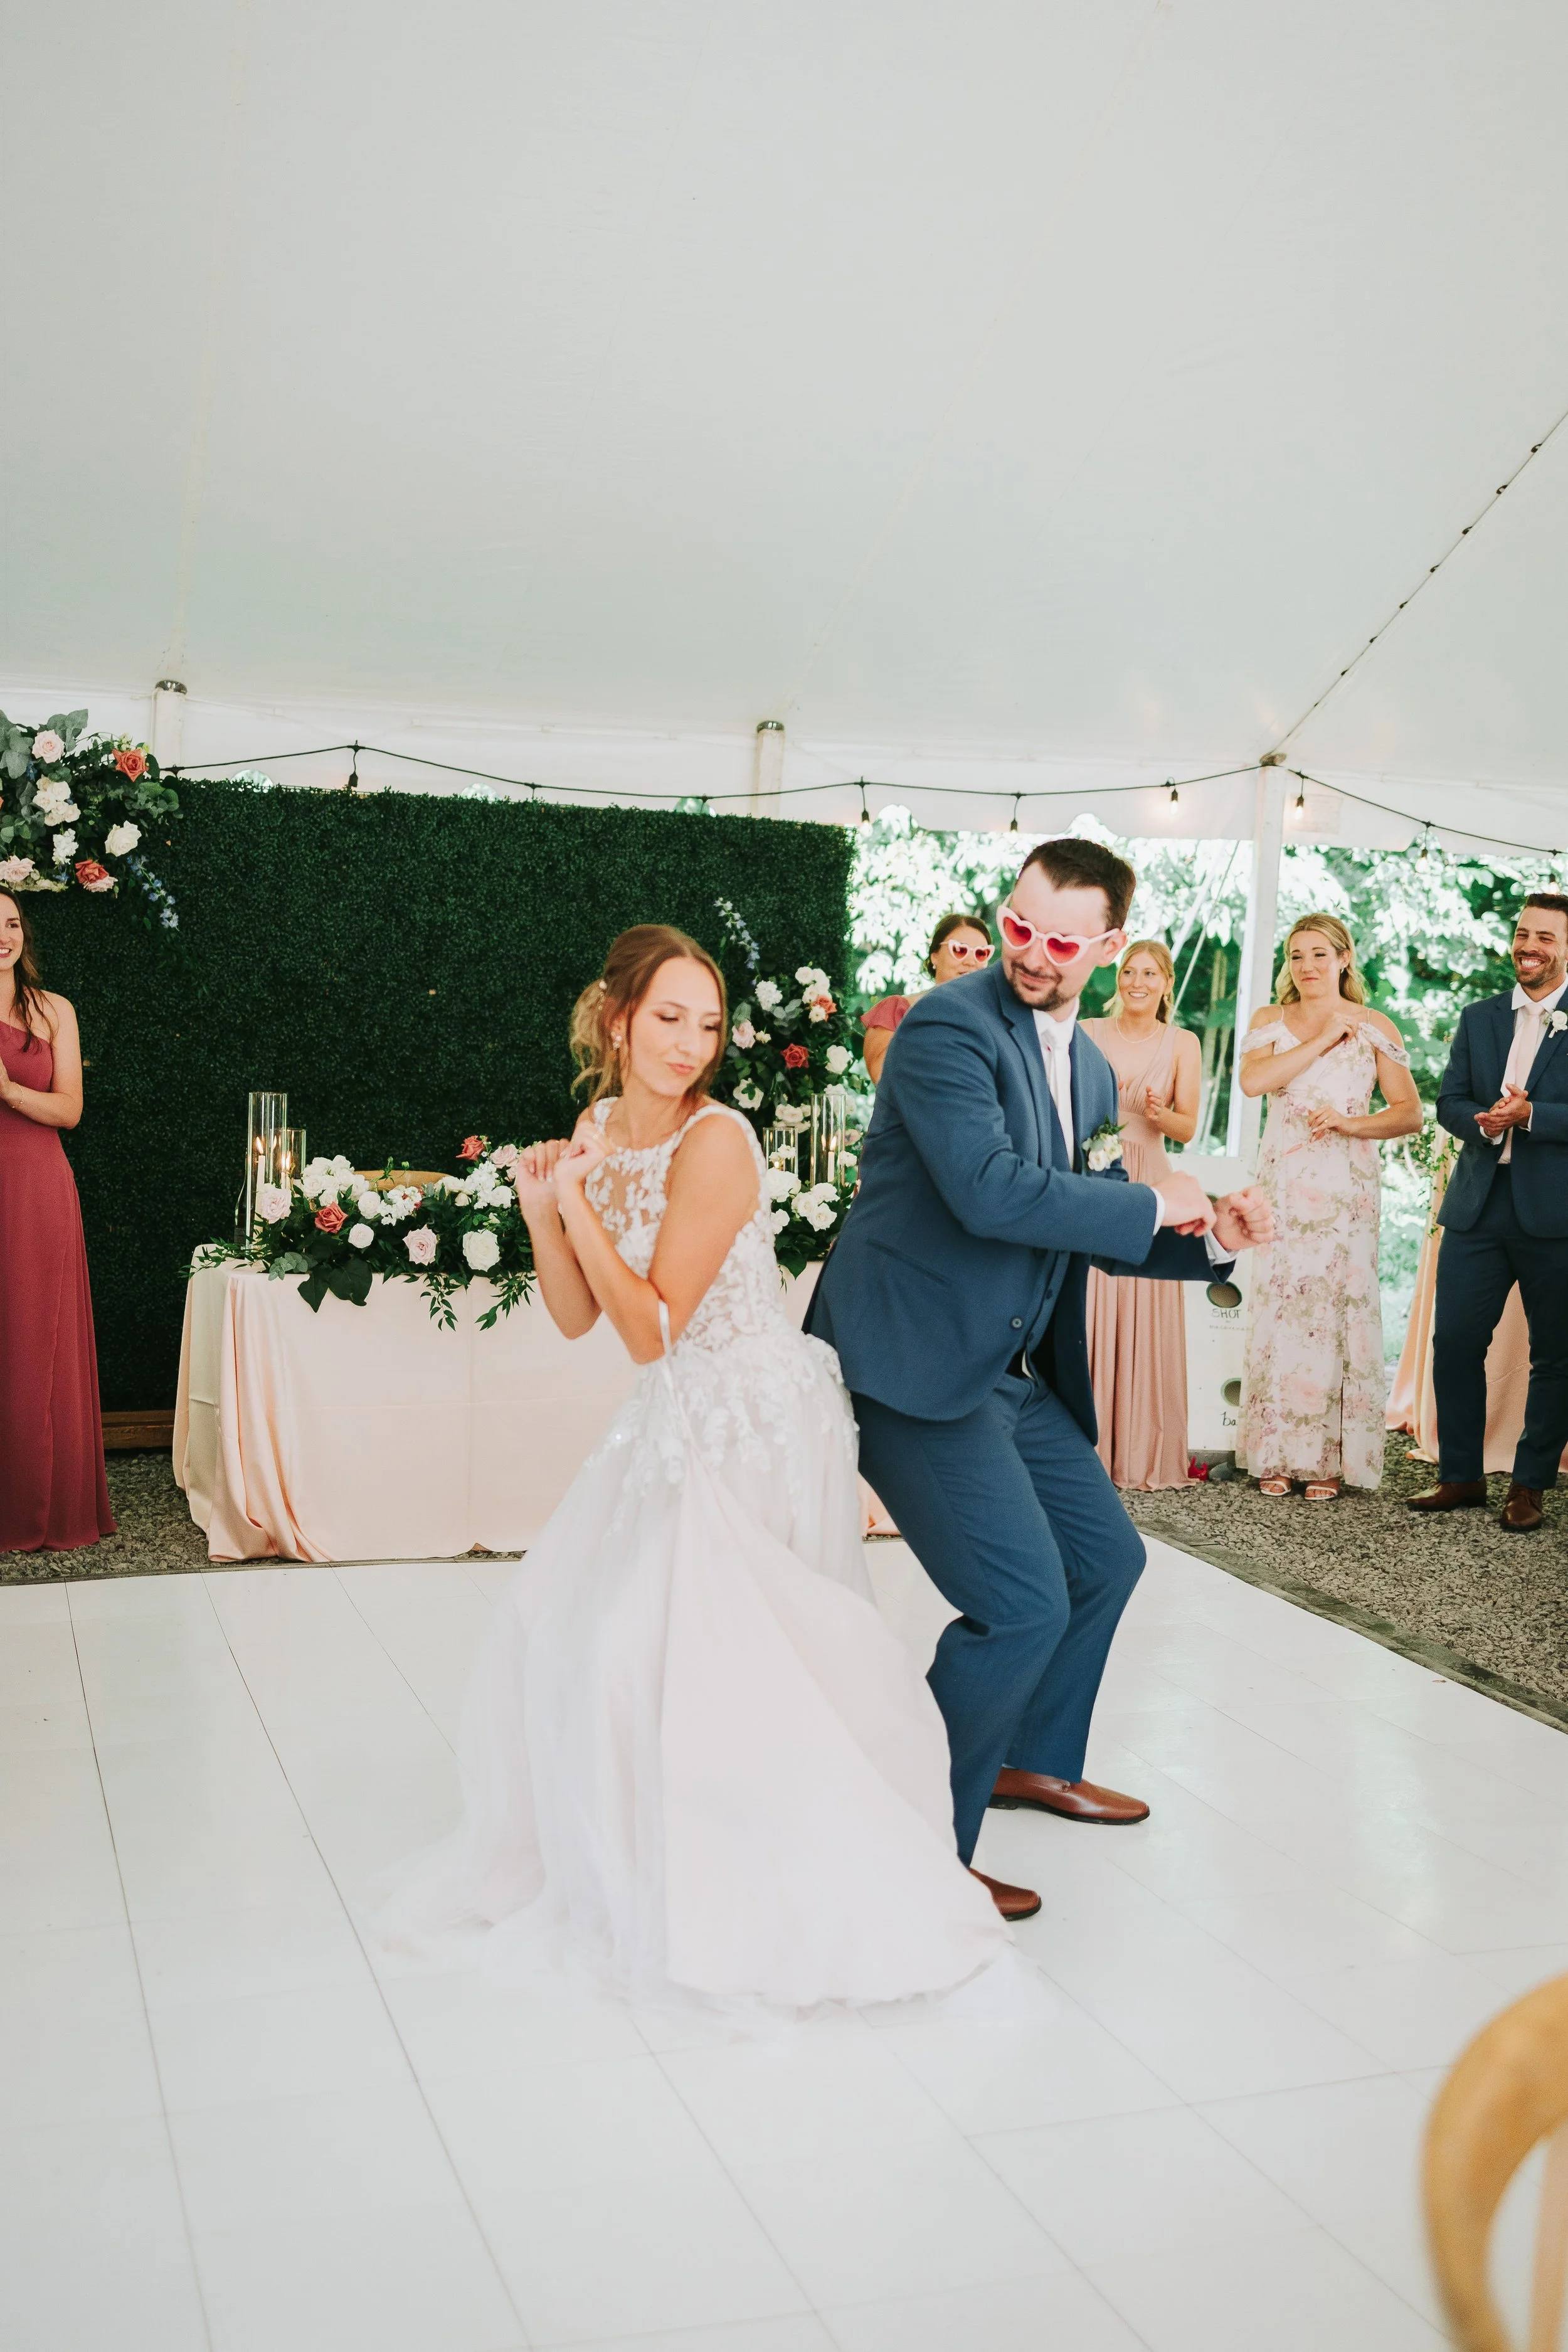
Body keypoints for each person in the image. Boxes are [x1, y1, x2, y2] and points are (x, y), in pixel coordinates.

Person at [381, 924, 1004, 2012]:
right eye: (668, 1018)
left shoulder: (718, 1141)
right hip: (672, 1414)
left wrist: (575, 1201)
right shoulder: (595, 1127)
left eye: (708, 1026)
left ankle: (757, 1876)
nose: (688, 1045)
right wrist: (542, 1210)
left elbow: (652, 1327)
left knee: (714, 1652)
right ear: (618, 1018)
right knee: (580, 1638)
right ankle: (636, 1870)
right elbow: (578, 1316)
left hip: (750, 1412)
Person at [805, 839, 1273, 1916]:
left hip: (1011, 1367)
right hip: (915, 1361)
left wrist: (1211, 1242)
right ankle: (915, 1836)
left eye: (1062, 940)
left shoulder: (1095, 1065)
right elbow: (990, 1192)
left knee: (1104, 1564)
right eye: (1019, 925)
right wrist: (1161, 1202)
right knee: (1018, 1608)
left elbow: (1076, 1223)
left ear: (1108, 949)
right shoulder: (946, 1029)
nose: (1031, 953)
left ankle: (1026, 1760)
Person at [1234, 913, 1420, 1501]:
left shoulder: (1375, 1025)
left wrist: (1348, 1122)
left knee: (1334, 1314)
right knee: (1283, 1310)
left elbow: (1408, 1112)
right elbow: (1253, 1085)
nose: (1307, 966)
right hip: (1283, 1183)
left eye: (1319, 954)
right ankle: (1276, 1452)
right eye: (1297, 956)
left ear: (1345, 957)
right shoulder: (1270, 1021)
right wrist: (1321, 1039)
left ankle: (1327, 1461)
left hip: (1346, 1188)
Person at [1408, 891, 1568, 1531]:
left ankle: (1528, 1486)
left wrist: (1530, 1115)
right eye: (1522, 934)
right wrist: (1479, 1121)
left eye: (1545, 938)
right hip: (1476, 1208)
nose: (1528, 947)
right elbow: (1448, 1099)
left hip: (1554, 1217)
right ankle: (1461, 1476)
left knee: (1555, 1356)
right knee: (1454, 1344)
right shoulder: (1478, 1016)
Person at [0, 891, 115, 1552]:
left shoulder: (54, 1011)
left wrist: (11, 1091)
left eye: (13, 924)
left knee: (39, 1332)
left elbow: (70, 1109)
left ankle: (48, 1499)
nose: (5, 936)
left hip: (40, 1187)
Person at [1082, 940, 1202, 1489]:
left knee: (1143, 1301)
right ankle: (1083, 1448)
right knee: (1089, 1303)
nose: (1137, 980)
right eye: (1129, 970)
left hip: (1150, 1176)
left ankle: (1138, 1448)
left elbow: (1187, 1129)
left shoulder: (1184, 1043)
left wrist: (1160, 1113)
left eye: (1149, 973)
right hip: (1094, 1177)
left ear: (1166, 983)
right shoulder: (1086, 1032)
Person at [861, 912, 992, 1083]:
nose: (971, 962)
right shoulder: (897, 1009)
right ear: (935, 956)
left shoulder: (996, 1019)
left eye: (981, 954)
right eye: (960, 950)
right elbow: (882, 1077)